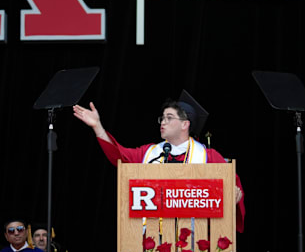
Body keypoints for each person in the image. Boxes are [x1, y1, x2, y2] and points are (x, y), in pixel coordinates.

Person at [72, 91, 246, 232]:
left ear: (185, 124)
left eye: (169, 118)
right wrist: (97, 126)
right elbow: (119, 156)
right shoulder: (149, 153)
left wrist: (235, 195)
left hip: (194, 235)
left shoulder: (209, 157)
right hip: (154, 235)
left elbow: (233, 187)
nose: (163, 122)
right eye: (162, 118)